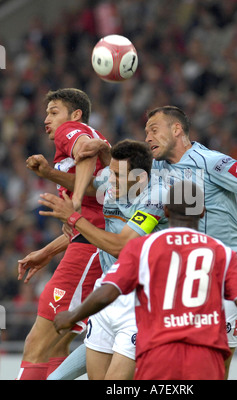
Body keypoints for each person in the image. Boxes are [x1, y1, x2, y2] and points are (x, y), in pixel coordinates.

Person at [75, 105, 237, 378]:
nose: (148, 137)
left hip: (223, 272)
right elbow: (120, 172)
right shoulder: (155, 168)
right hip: (183, 278)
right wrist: (103, 150)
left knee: (214, 368)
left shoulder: (212, 162)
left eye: (154, 130)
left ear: (176, 129)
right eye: (146, 132)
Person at [52, 181, 237, 380]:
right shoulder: (223, 253)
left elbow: (108, 292)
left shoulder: (144, 247)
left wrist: (72, 316)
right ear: (202, 211)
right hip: (206, 358)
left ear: (166, 211)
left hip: (158, 354)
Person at [37, 139, 169, 379]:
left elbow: (123, 247)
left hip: (141, 301)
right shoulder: (112, 181)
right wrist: (48, 173)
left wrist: (75, 219)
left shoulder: (157, 197)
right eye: (111, 173)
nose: (110, 181)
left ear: (139, 177)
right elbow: (86, 185)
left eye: (118, 175)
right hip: (108, 294)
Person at [16, 88, 109, 380]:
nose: (47, 119)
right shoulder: (83, 135)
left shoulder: (71, 130)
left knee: (36, 344)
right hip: (93, 244)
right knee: (57, 345)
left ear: (75, 114)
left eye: (53, 111)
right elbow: (98, 200)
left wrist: (73, 197)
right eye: (46, 112)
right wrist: (47, 251)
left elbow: (85, 146)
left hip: (91, 248)